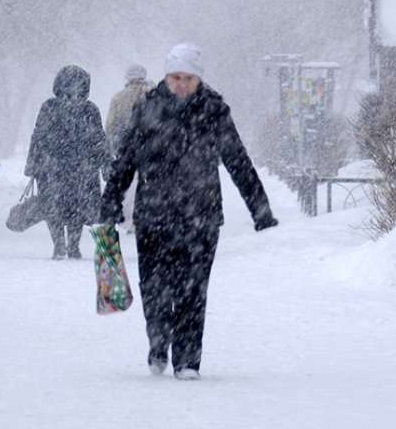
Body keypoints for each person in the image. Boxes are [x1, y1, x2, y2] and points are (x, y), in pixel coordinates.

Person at [99, 42, 278, 380]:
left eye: (189, 78)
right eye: (175, 77)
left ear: (199, 79)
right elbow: (124, 163)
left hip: (202, 217)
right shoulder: (147, 110)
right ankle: (158, 342)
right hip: (153, 216)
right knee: (153, 287)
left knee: (193, 292)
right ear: (165, 77)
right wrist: (109, 205)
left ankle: (187, 361)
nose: (181, 84)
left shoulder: (214, 111)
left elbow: (238, 161)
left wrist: (260, 210)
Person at [25, 65, 111, 260]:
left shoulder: (52, 107)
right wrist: (105, 163)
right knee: (71, 208)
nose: (74, 92)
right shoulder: (85, 108)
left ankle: (64, 245)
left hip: (59, 167)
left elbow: (38, 136)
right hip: (74, 167)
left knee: (62, 207)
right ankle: (67, 245)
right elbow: (99, 139)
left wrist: (33, 163)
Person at [104, 64, 153, 233]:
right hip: (150, 147)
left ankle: (126, 217)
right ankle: (142, 218)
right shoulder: (153, 94)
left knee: (126, 184)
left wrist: (114, 146)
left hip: (125, 148)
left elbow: (110, 126)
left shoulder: (119, 97)